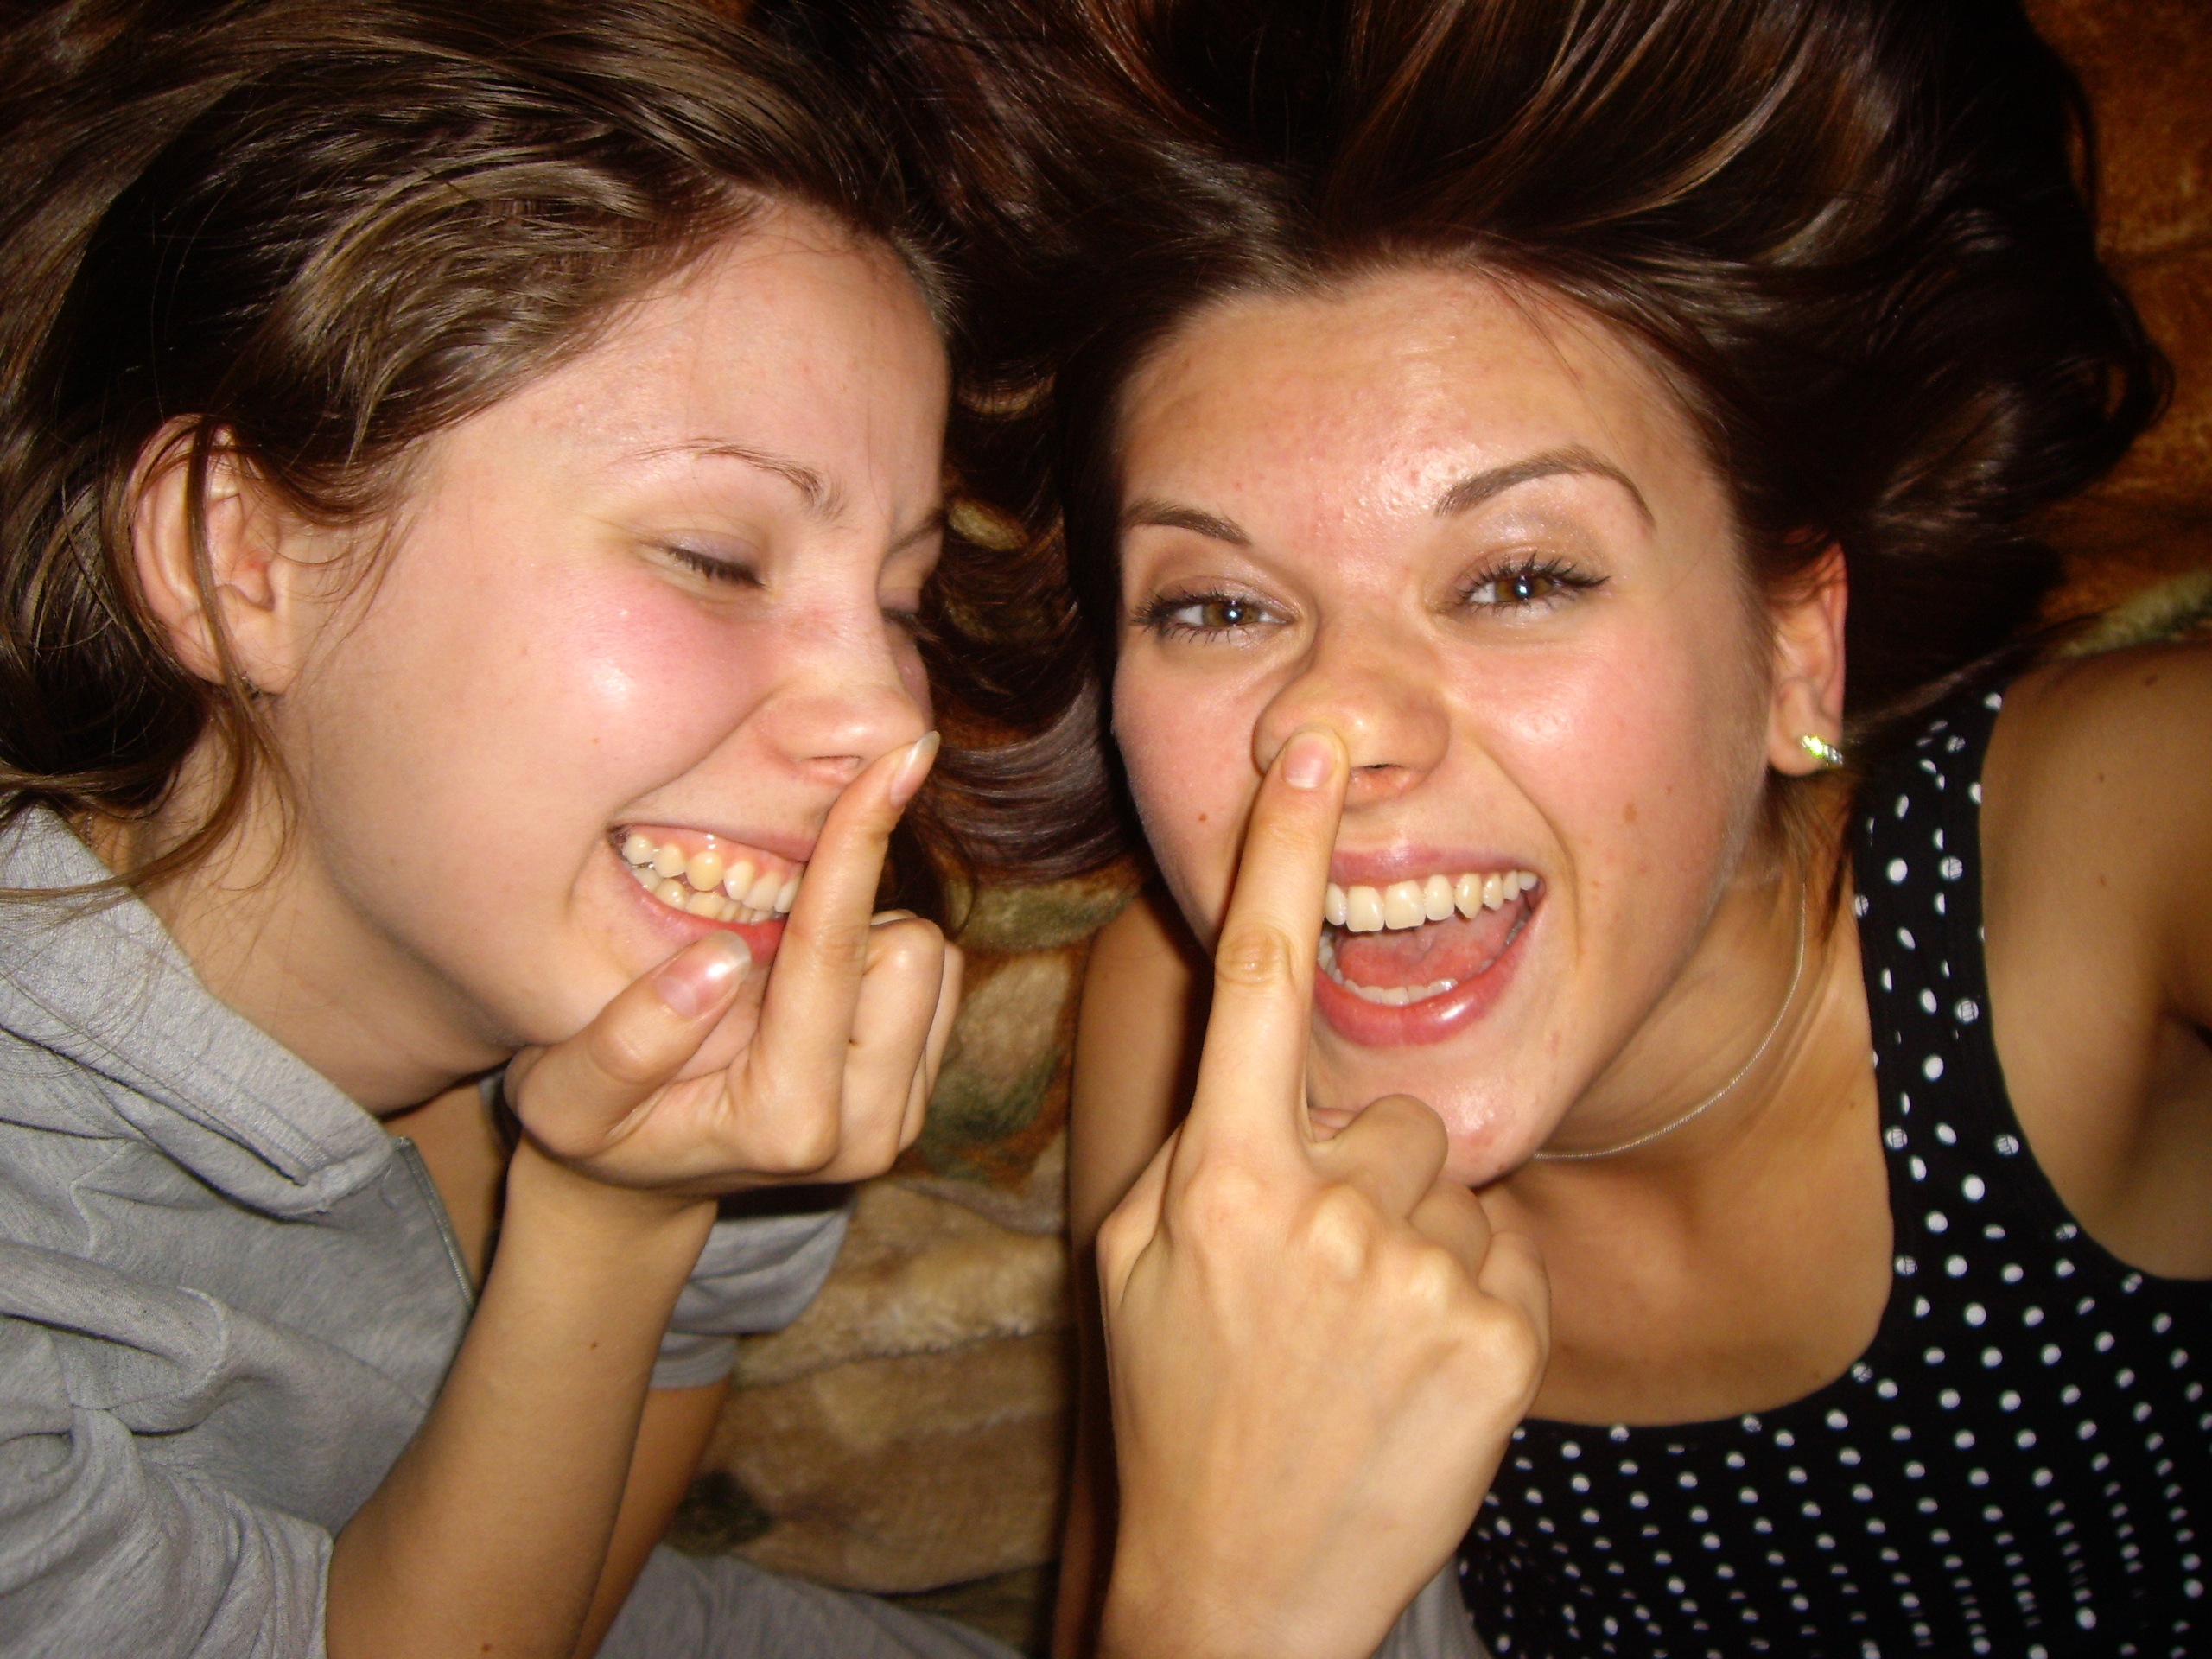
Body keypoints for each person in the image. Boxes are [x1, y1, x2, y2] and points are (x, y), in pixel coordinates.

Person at [856, 0, 2206, 1654]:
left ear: (1796, 640)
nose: (1337, 727)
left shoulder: (2107, 851)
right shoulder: (1187, 1027)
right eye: (1217, 608)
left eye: (1517, 579)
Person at [0, 3, 995, 1653]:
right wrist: (612, 1231)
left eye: (900, 602)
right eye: (717, 558)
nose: (894, 721)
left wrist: (659, 1207)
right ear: (240, 558)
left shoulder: (637, 966)